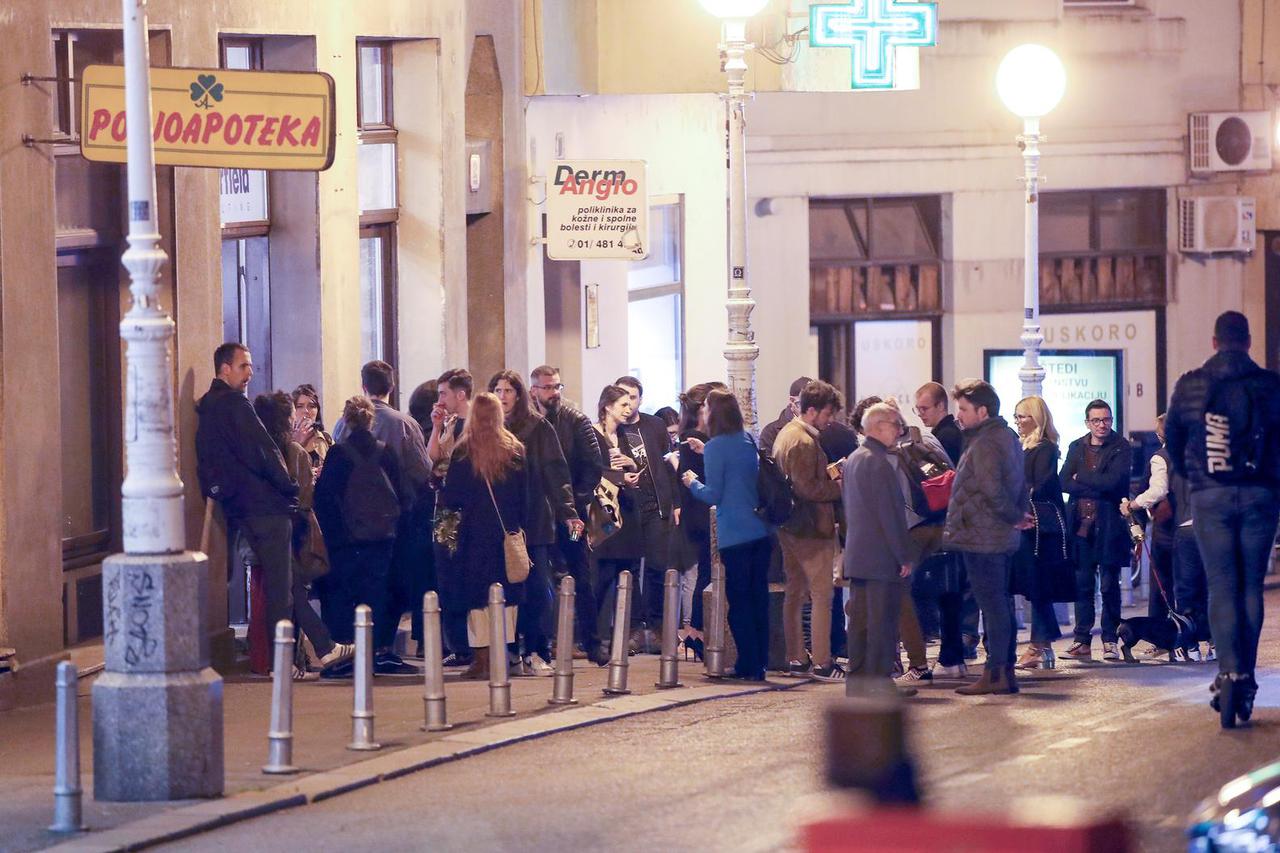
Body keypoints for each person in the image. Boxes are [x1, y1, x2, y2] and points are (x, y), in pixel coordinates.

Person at [1165, 310, 1280, 726]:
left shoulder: (1192, 384)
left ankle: (1228, 671)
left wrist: (1195, 478)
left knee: (1221, 585)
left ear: (1214, 342)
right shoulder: (1270, 385)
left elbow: (1173, 442)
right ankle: (1245, 675)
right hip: (1259, 496)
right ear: (1248, 342)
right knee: (1250, 585)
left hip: (1210, 496)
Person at [195, 343, 300, 659]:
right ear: (224, 369)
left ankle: (320, 647)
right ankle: (282, 659)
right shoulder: (237, 406)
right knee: (283, 587)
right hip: (264, 505)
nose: (250, 373)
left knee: (285, 582)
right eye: (244, 366)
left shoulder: (208, 408)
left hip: (238, 505)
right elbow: (264, 451)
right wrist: (289, 487)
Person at [331, 360, 431, 672]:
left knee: (352, 588)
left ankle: (353, 649)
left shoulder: (338, 431)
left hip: (349, 531)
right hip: (390, 528)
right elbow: (421, 471)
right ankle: (383, 649)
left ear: (363, 386)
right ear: (391, 386)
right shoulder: (403, 425)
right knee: (386, 587)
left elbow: (330, 489)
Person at [489, 370, 583, 675]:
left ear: (520, 394)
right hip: (501, 520)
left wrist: (568, 511)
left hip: (534, 517)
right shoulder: (489, 428)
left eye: (507, 390)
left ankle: (537, 648)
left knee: (538, 585)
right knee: (504, 589)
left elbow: (556, 472)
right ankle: (509, 650)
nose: (502, 396)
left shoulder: (536, 427)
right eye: (497, 390)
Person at [253, 391, 353, 676]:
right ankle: (302, 655)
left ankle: (305, 654)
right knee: (289, 592)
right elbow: (305, 494)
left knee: (289, 592)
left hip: (266, 530)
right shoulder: (291, 451)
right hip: (290, 530)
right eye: (294, 410)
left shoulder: (259, 448)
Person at [942, 380, 1027, 696]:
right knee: (998, 604)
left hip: (984, 536)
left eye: (963, 409)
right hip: (992, 534)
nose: (959, 416)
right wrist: (1017, 515)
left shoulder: (987, 442)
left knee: (992, 606)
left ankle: (995, 674)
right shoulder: (1001, 437)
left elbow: (993, 490)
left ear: (983, 410)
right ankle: (1003, 672)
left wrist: (1013, 515)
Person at [438, 392, 530, 681]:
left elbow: (452, 498)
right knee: (506, 596)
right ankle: (503, 654)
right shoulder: (514, 449)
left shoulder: (465, 451)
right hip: (507, 534)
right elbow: (526, 494)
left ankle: (481, 659)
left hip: (474, 536)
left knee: (478, 599)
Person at [683, 390, 772, 681]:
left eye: (706, 408)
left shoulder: (716, 447)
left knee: (739, 601)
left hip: (735, 532)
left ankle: (748, 664)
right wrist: (705, 449)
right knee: (758, 597)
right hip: (761, 530)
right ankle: (760, 660)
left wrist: (692, 482)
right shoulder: (746, 439)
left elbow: (715, 494)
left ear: (713, 414)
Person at [312, 396, 405, 665]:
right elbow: (402, 494)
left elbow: (325, 498)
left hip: (345, 541)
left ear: (347, 420)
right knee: (375, 594)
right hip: (381, 538)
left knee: (343, 596)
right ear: (370, 420)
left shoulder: (338, 454)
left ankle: (346, 654)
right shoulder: (385, 451)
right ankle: (373, 651)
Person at [529, 365, 607, 664]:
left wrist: (575, 504)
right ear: (534, 390)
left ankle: (592, 641)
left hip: (570, 516)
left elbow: (593, 467)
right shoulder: (528, 424)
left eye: (557, 386)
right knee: (540, 576)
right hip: (537, 515)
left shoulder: (575, 421)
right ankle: (540, 642)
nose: (554, 393)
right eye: (548, 387)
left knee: (580, 571)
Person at [772, 380, 845, 683]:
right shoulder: (802, 440)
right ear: (812, 410)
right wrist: (837, 487)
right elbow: (806, 487)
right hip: (810, 527)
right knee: (821, 595)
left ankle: (797, 657)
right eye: (828, 413)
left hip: (790, 526)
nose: (831, 420)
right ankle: (823, 662)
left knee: (795, 593)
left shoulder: (786, 434)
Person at [841, 403, 915, 696]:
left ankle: (857, 682)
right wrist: (903, 555)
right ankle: (879, 683)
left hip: (859, 554)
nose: (899, 431)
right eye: (896, 425)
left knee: (859, 623)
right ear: (880, 426)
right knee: (881, 623)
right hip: (881, 555)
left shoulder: (856, 459)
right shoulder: (879, 462)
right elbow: (890, 514)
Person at [1061, 399, 1132, 663]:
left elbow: (1114, 481)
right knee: (1082, 585)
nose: (1102, 425)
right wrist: (1095, 485)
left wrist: (1083, 479)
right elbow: (1064, 481)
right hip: (1081, 526)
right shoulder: (1076, 446)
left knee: (1110, 585)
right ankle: (1081, 639)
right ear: (1087, 423)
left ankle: (1110, 640)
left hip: (1109, 525)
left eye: (1107, 420)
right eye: (1097, 420)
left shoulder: (1120, 446)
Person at [614, 376, 680, 647]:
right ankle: (632, 626)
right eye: (623, 397)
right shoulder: (611, 430)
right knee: (628, 568)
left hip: (656, 505)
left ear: (641, 398)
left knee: (657, 566)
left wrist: (675, 502)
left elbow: (667, 464)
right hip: (627, 507)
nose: (628, 403)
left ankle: (657, 625)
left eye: (633, 396)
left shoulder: (655, 425)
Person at [1011, 396, 1069, 671]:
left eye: (1022, 416)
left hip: (1038, 529)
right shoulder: (1024, 447)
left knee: (1037, 586)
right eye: (1016, 416)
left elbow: (1041, 484)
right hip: (1029, 527)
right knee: (1034, 587)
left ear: (1036, 418)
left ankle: (1038, 646)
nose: (1018, 421)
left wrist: (1019, 500)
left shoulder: (1043, 447)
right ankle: (1042, 646)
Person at [671, 382, 724, 661]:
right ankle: (695, 632)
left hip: (701, 508)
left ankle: (697, 632)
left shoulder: (702, 439)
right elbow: (697, 477)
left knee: (705, 569)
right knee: (704, 571)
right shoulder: (693, 439)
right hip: (701, 511)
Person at [427, 368, 474, 665]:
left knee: (458, 576)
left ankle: (466, 645)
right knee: (446, 574)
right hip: (445, 511)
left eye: (444, 393)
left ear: (460, 394)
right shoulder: (451, 423)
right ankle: (458, 645)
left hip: (461, 511)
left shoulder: (473, 426)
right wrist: (436, 426)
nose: (440, 399)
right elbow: (432, 457)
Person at [591, 385, 645, 642]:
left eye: (630, 404)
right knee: (602, 575)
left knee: (627, 573)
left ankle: (623, 633)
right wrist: (619, 476)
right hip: (603, 512)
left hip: (627, 511)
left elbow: (640, 466)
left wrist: (631, 466)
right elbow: (590, 470)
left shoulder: (627, 436)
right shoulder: (592, 434)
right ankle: (596, 634)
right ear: (607, 407)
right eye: (623, 405)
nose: (629, 409)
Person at [1126, 415, 1176, 629]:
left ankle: (1162, 635)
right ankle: (1201, 638)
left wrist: (1133, 505)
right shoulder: (1196, 455)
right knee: (1191, 584)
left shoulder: (1160, 457)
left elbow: (1157, 491)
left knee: (1161, 583)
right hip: (1197, 526)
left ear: (1160, 435)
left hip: (1167, 528)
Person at [405, 379, 442, 656]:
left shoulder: (411, 428)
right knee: (435, 577)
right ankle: (433, 640)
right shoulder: (434, 432)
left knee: (421, 577)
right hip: (433, 510)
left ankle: (422, 639)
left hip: (413, 514)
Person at [760, 376, 814, 455]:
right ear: (792, 401)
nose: (813, 410)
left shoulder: (829, 428)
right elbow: (768, 466)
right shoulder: (770, 433)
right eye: (807, 403)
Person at [914, 381, 963, 465]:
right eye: (918, 409)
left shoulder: (947, 436)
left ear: (941, 406)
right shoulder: (946, 431)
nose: (919, 414)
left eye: (924, 408)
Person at [290, 383, 334, 477]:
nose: (306, 411)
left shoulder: (325, 439)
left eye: (311, 406)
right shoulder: (286, 440)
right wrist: (297, 443)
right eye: (300, 406)